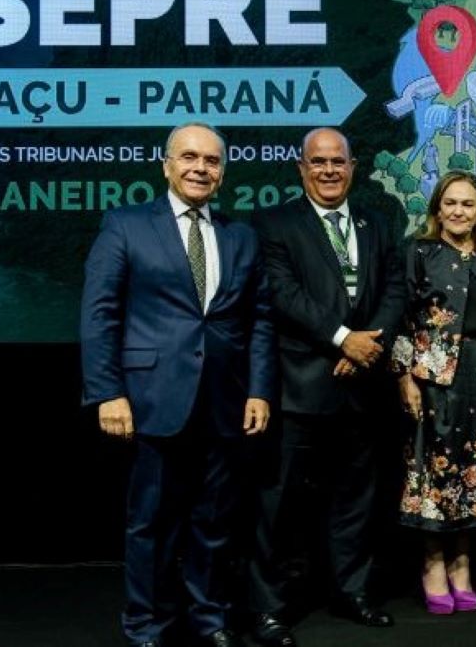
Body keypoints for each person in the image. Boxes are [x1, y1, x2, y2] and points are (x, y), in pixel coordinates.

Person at [81, 122, 276, 647]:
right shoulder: (125, 225)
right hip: (151, 400)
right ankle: (148, 625)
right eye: (189, 157)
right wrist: (108, 392)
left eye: (211, 161)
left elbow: (259, 320)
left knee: (214, 523)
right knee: (152, 522)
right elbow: (100, 314)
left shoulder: (240, 236)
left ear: (222, 172)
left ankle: (210, 620)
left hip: (225, 402)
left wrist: (258, 390)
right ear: (166, 165)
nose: (200, 168)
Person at [247, 128, 404, 647]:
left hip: (363, 387)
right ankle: (270, 609)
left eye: (338, 161)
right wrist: (342, 340)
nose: (329, 170)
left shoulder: (378, 222)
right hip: (300, 388)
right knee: (279, 505)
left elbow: (395, 289)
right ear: (301, 168)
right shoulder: (274, 224)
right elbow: (284, 294)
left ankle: (351, 592)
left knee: (357, 499)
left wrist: (369, 345)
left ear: (353, 167)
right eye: (318, 162)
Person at [391, 170, 476, 614]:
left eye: (468, 204)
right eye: (450, 203)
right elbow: (401, 316)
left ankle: (461, 565)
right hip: (433, 379)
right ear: (437, 209)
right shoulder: (418, 252)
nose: (458, 211)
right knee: (436, 472)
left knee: (472, 473)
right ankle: (432, 565)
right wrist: (404, 377)